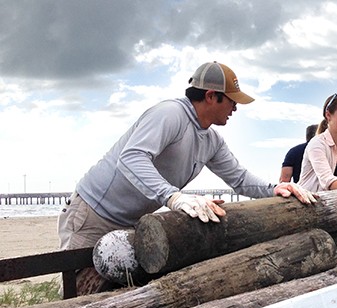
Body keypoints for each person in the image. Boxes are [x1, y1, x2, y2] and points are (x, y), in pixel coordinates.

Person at [58, 61, 316, 254]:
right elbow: (131, 158)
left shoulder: (211, 139)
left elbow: (239, 178)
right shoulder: (170, 114)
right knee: (78, 295)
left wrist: (276, 189)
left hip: (130, 223)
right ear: (211, 96)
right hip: (93, 214)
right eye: (231, 101)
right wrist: (174, 197)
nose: (235, 108)